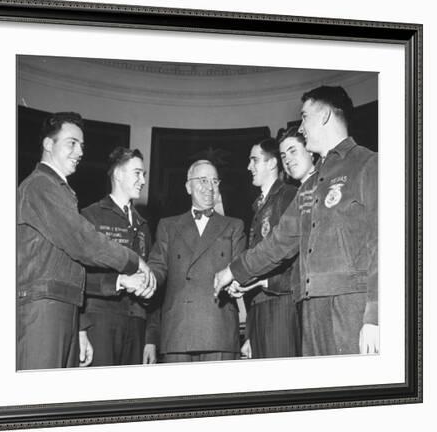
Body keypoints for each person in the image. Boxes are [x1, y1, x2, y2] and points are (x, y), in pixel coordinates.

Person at [215, 86, 378, 356]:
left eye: (304, 117)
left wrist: (375, 315)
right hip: (310, 310)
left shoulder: (368, 164)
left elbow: (383, 244)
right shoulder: (310, 184)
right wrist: (232, 271)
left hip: (351, 309)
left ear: (325, 115)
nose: (301, 128)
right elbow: (278, 243)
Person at [17, 112, 155, 370]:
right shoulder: (41, 185)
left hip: (63, 304)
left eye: (82, 145)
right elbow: (83, 242)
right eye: (72, 143)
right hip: (45, 305)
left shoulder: (60, 189)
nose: (80, 151)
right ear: (48, 144)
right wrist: (134, 262)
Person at [148, 160, 246, 363]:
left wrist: (237, 283)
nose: (209, 187)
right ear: (188, 186)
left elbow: (240, 269)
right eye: (202, 180)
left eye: (214, 181)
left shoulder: (234, 226)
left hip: (219, 330)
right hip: (178, 331)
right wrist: (145, 279)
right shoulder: (168, 226)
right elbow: (158, 268)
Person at [80, 147, 158, 366]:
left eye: (144, 175)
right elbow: (77, 276)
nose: (143, 180)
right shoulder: (90, 216)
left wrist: (151, 338)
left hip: (136, 324)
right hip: (101, 321)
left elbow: (153, 285)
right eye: (137, 173)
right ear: (118, 174)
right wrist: (81, 328)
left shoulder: (143, 226)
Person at [237, 137, 299, 359]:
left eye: (254, 160)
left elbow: (294, 256)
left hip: (281, 304)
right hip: (259, 306)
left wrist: (266, 281)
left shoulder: (289, 195)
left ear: (272, 163)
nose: (249, 167)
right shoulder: (259, 205)